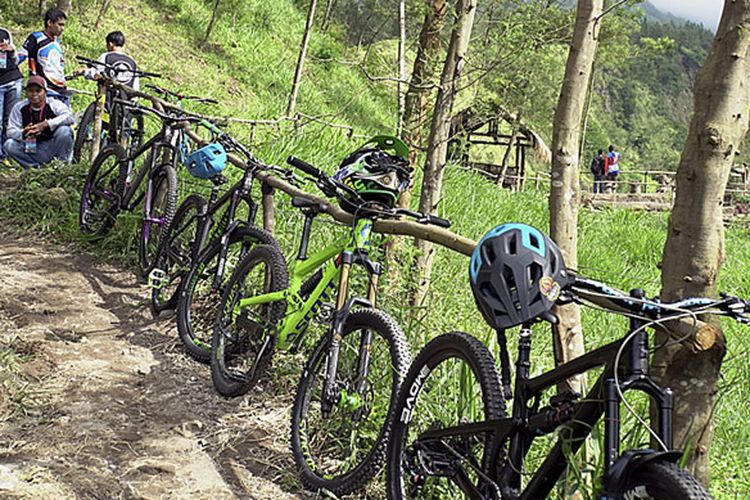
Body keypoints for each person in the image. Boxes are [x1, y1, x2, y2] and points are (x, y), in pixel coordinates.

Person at [4, 75, 74, 168]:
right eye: (30, 91)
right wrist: (23, 133)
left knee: (65, 130)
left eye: (38, 91)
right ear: (26, 92)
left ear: (45, 92)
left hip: (52, 145)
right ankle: (35, 168)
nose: (34, 94)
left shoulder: (54, 104)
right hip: (32, 147)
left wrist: (46, 124)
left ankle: (62, 165)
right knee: (9, 145)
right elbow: (10, 131)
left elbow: (69, 117)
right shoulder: (19, 107)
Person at [17, 8, 68, 106]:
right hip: (43, 90)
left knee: (65, 119)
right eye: (60, 24)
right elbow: (21, 56)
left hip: (60, 89)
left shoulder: (57, 42)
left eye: (63, 25)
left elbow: (59, 64)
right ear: (49, 22)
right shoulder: (36, 38)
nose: (62, 28)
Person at [75, 31, 140, 95]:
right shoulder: (132, 62)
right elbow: (135, 86)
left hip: (108, 99)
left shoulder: (106, 56)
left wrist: (84, 71)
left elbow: (96, 73)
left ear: (110, 44)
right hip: (126, 101)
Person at [0, 26, 23, 164]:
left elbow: (15, 60)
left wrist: (12, 49)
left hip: (14, 80)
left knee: (10, 121)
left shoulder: (4, 32)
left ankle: (7, 155)